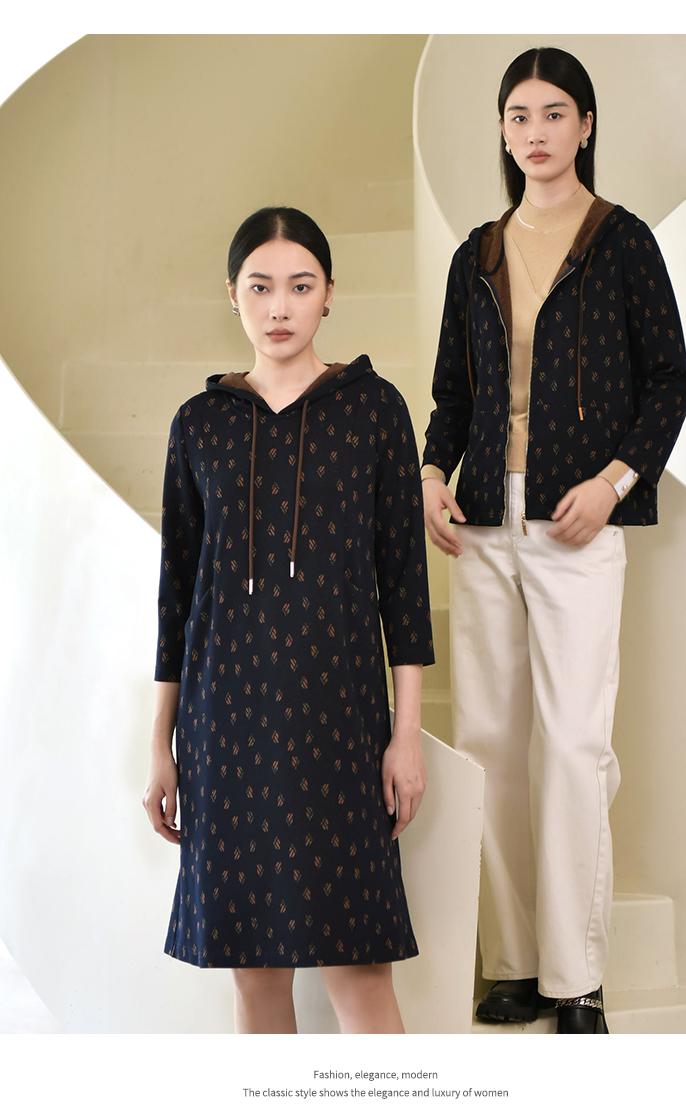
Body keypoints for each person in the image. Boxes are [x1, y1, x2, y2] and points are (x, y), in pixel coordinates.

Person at [421, 47, 686, 1034]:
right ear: (503, 132)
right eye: (518, 116)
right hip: (484, 522)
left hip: (578, 522)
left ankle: (578, 978)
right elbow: (454, 393)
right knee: (492, 742)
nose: (534, 132)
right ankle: (515, 963)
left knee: (574, 743)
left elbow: (670, 381)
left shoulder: (623, 242)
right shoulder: (477, 254)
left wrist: (613, 483)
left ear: (585, 126)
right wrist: (430, 475)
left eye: (553, 113)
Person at [142, 206, 434, 1035]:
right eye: (260, 287)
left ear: (330, 293)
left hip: (340, 726)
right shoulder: (198, 424)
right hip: (224, 728)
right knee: (255, 979)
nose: (280, 307)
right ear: (232, 295)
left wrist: (405, 735)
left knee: (361, 974)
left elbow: (404, 586)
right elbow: (176, 598)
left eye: (300, 287)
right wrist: (159, 742)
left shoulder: (374, 409)